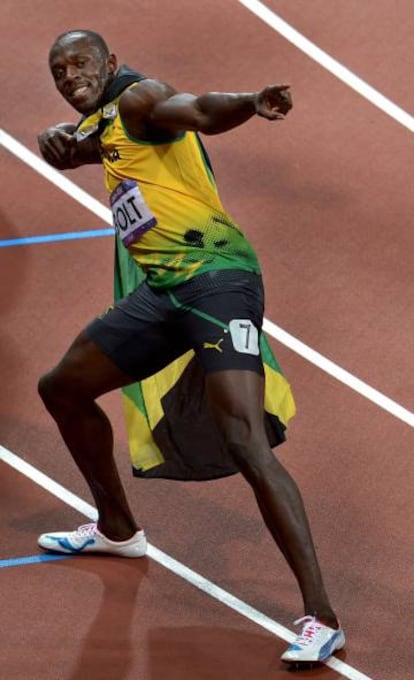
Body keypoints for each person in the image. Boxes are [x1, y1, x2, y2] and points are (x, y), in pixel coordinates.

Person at [36, 29, 345, 665]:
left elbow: (200, 109)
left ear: (111, 64)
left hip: (218, 285)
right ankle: (118, 530)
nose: (70, 78)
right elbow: (83, 149)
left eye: (81, 65)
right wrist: (57, 146)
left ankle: (322, 617)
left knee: (245, 442)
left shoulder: (144, 99)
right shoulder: (109, 123)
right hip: (163, 293)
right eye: (59, 72)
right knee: (61, 388)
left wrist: (250, 101)